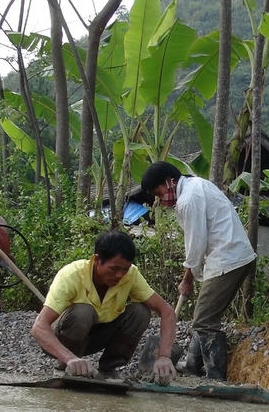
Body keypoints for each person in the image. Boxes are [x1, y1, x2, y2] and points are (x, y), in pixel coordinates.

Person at [140, 161, 256, 380]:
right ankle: (193, 364)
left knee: (204, 319)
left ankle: (216, 377)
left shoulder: (188, 199)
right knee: (204, 313)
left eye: (159, 193)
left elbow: (195, 245)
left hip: (228, 258)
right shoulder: (196, 185)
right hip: (229, 256)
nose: (160, 200)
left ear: (169, 182)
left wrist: (187, 279)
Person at [30, 231, 177, 384]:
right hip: (64, 340)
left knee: (140, 311)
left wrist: (164, 356)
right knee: (83, 312)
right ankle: (67, 365)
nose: (120, 275)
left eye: (124, 270)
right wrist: (70, 359)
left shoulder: (131, 275)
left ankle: (109, 369)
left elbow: (166, 311)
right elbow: (38, 328)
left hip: (98, 337)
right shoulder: (71, 275)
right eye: (114, 269)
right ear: (97, 260)